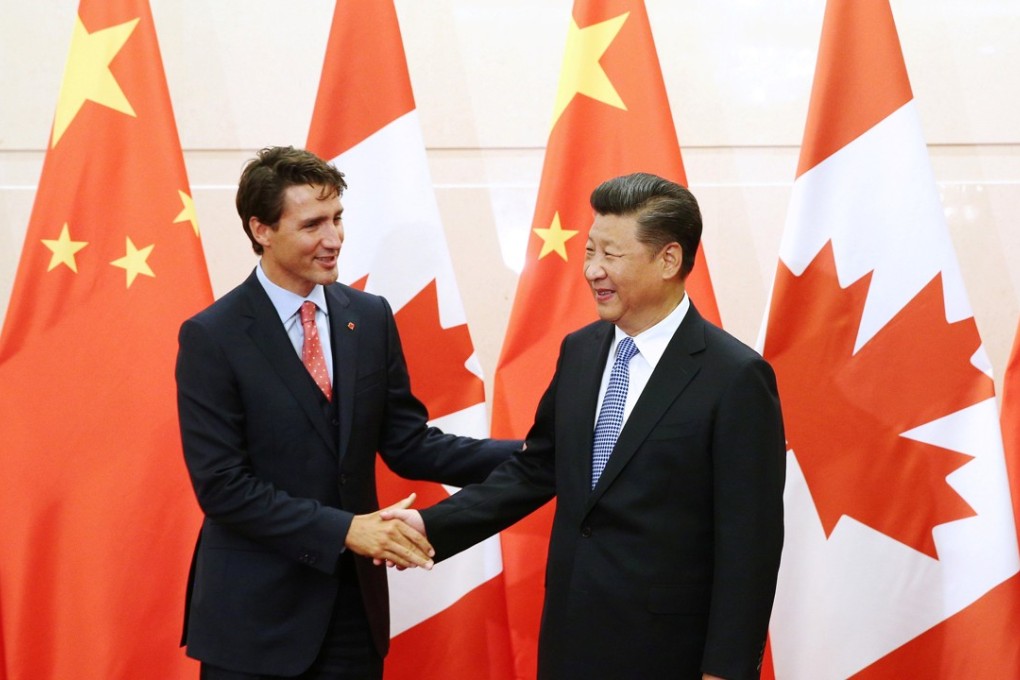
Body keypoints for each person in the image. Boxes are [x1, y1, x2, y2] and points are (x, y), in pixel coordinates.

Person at [386, 173, 786, 679]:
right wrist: (430, 526)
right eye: (589, 251)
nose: (593, 270)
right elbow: (538, 468)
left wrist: (726, 669)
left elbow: (750, 542)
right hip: (571, 639)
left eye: (610, 255)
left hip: (669, 652)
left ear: (669, 259)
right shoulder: (581, 350)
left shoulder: (734, 377)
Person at [175, 146, 517, 679]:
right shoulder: (212, 337)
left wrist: (541, 454)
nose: (334, 239)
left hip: (352, 616)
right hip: (253, 622)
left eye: (337, 219)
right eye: (313, 224)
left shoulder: (370, 316)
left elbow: (409, 443)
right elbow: (222, 486)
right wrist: (344, 531)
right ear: (261, 229)